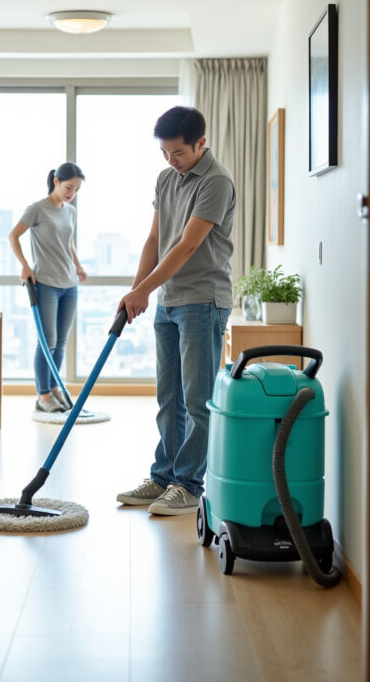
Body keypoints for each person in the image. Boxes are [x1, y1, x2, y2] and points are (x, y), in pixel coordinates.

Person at [116, 106, 236, 515]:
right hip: (168, 301)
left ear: (201, 143)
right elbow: (155, 239)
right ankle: (163, 477)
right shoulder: (167, 178)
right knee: (169, 397)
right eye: (165, 152)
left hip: (203, 300)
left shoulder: (217, 182)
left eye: (179, 153)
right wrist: (138, 290)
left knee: (197, 399)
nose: (171, 160)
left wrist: (144, 291)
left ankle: (188, 484)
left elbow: (186, 245)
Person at [9, 162, 88, 413]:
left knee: (61, 342)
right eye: (68, 187)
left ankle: (54, 387)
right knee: (47, 342)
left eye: (75, 189)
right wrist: (25, 266)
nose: (71, 193)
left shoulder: (70, 211)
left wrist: (78, 265)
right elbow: (13, 235)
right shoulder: (37, 209)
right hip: (45, 283)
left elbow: (68, 242)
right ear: (56, 181)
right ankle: (42, 395)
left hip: (69, 284)